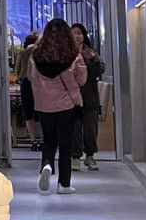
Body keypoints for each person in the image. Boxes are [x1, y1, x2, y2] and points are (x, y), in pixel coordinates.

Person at [26, 18, 87, 193]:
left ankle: (46, 165)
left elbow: (31, 78)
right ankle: (64, 184)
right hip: (66, 105)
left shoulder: (36, 56)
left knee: (49, 141)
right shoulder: (73, 56)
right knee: (65, 144)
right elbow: (81, 80)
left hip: (44, 106)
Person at [73, 27, 106, 171]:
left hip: (90, 97)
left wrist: (92, 59)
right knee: (74, 130)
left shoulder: (91, 52)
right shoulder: (66, 52)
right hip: (72, 98)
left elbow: (100, 70)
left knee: (90, 130)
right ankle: (75, 157)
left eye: (79, 33)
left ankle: (90, 156)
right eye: (74, 33)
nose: (77, 36)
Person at [12, 32, 38, 145]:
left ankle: (33, 140)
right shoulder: (40, 51)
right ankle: (45, 138)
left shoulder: (22, 53)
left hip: (26, 82)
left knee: (28, 112)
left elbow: (17, 70)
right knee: (42, 110)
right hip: (39, 82)